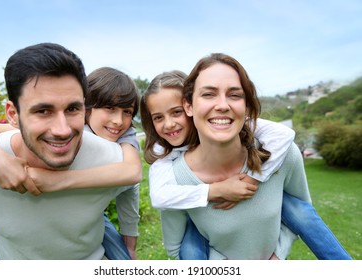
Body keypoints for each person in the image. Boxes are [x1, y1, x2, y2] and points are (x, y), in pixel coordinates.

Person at [143, 55, 351, 259]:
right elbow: (170, 232)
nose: (169, 124)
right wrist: (214, 191)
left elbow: (302, 215)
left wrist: (254, 176)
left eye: (234, 95)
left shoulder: (273, 147)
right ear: (191, 106)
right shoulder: (171, 170)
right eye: (208, 94)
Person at [0, 43, 141, 259]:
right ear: (13, 115)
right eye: (43, 111)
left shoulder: (115, 157)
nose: (62, 130)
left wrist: (130, 242)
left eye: (72, 109)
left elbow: (132, 178)